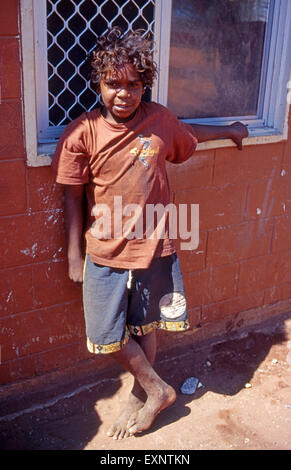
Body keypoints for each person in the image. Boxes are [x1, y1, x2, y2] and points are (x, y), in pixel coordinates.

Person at [52, 27, 248, 440]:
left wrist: (230, 129)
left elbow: (188, 132)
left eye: (134, 84)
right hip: (104, 248)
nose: (123, 93)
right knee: (104, 331)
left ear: (145, 84)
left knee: (146, 324)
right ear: (98, 82)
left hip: (155, 245)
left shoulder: (159, 119)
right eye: (113, 84)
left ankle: (141, 398)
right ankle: (158, 386)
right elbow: (71, 198)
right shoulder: (81, 134)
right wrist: (74, 256)